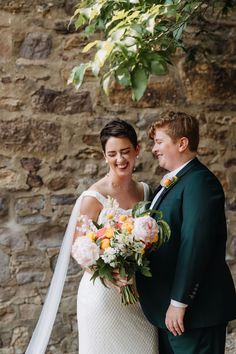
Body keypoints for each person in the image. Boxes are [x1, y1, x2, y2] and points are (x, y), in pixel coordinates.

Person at [25, 119, 158, 354]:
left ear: (137, 150)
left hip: (138, 295)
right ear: (104, 156)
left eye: (126, 151)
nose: (120, 159)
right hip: (103, 295)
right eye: (113, 153)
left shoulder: (145, 191)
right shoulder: (93, 197)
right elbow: (81, 250)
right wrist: (112, 274)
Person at [136, 111, 236, 354]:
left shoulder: (200, 182)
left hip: (192, 312)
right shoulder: (174, 182)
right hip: (169, 313)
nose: (154, 149)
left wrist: (179, 302)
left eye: (159, 142)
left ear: (182, 143)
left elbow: (195, 243)